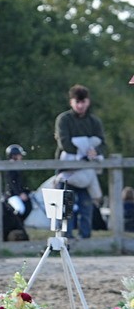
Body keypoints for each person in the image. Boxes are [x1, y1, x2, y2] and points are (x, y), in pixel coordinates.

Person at [54, 84, 105, 239]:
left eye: (83, 102)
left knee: (86, 205)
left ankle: (85, 237)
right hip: (67, 169)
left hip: (86, 171)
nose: (80, 105)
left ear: (88, 102)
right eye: (77, 102)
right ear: (71, 102)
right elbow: (64, 143)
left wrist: (95, 151)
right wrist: (83, 151)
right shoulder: (64, 119)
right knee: (65, 206)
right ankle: (65, 238)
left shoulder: (94, 121)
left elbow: (102, 143)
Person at [1, 144, 32, 241]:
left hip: (18, 194)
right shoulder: (10, 167)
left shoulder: (18, 166)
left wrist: (27, 191)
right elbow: (12, 183)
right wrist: (20, 193)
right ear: (13, 155)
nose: (21, 157)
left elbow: (21, 183)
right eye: (19, 155)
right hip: (12, 195)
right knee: (20, 209)